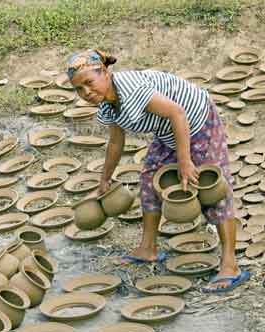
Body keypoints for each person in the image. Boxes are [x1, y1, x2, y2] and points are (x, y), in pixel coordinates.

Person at [67, 49, 249, 293]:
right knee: (150, 180)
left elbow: (177, 112)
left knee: (210, 188)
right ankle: (148, 249)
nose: (86, 92)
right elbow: (115, 142)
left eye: (89, 83)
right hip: (168, 131)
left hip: (198, 121)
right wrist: (105, 180)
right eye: (79, 89)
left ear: (106, 72)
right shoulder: (109, 105)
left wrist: (185, 161)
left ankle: (230, 265)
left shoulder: (130, 88)